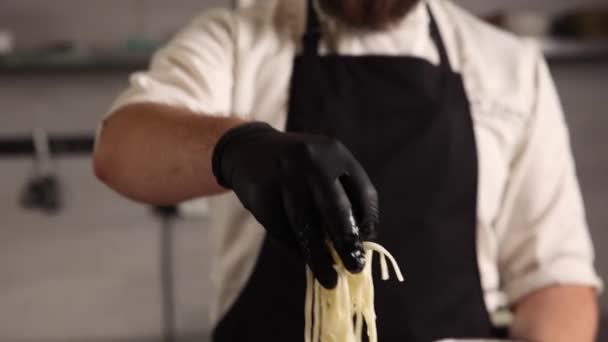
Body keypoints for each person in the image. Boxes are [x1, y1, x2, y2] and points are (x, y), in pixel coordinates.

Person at [93, 0, 603, 341]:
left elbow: (556, 281)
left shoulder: (508, 68)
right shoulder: (240, 35)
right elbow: (121, 148)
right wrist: (236, 147)